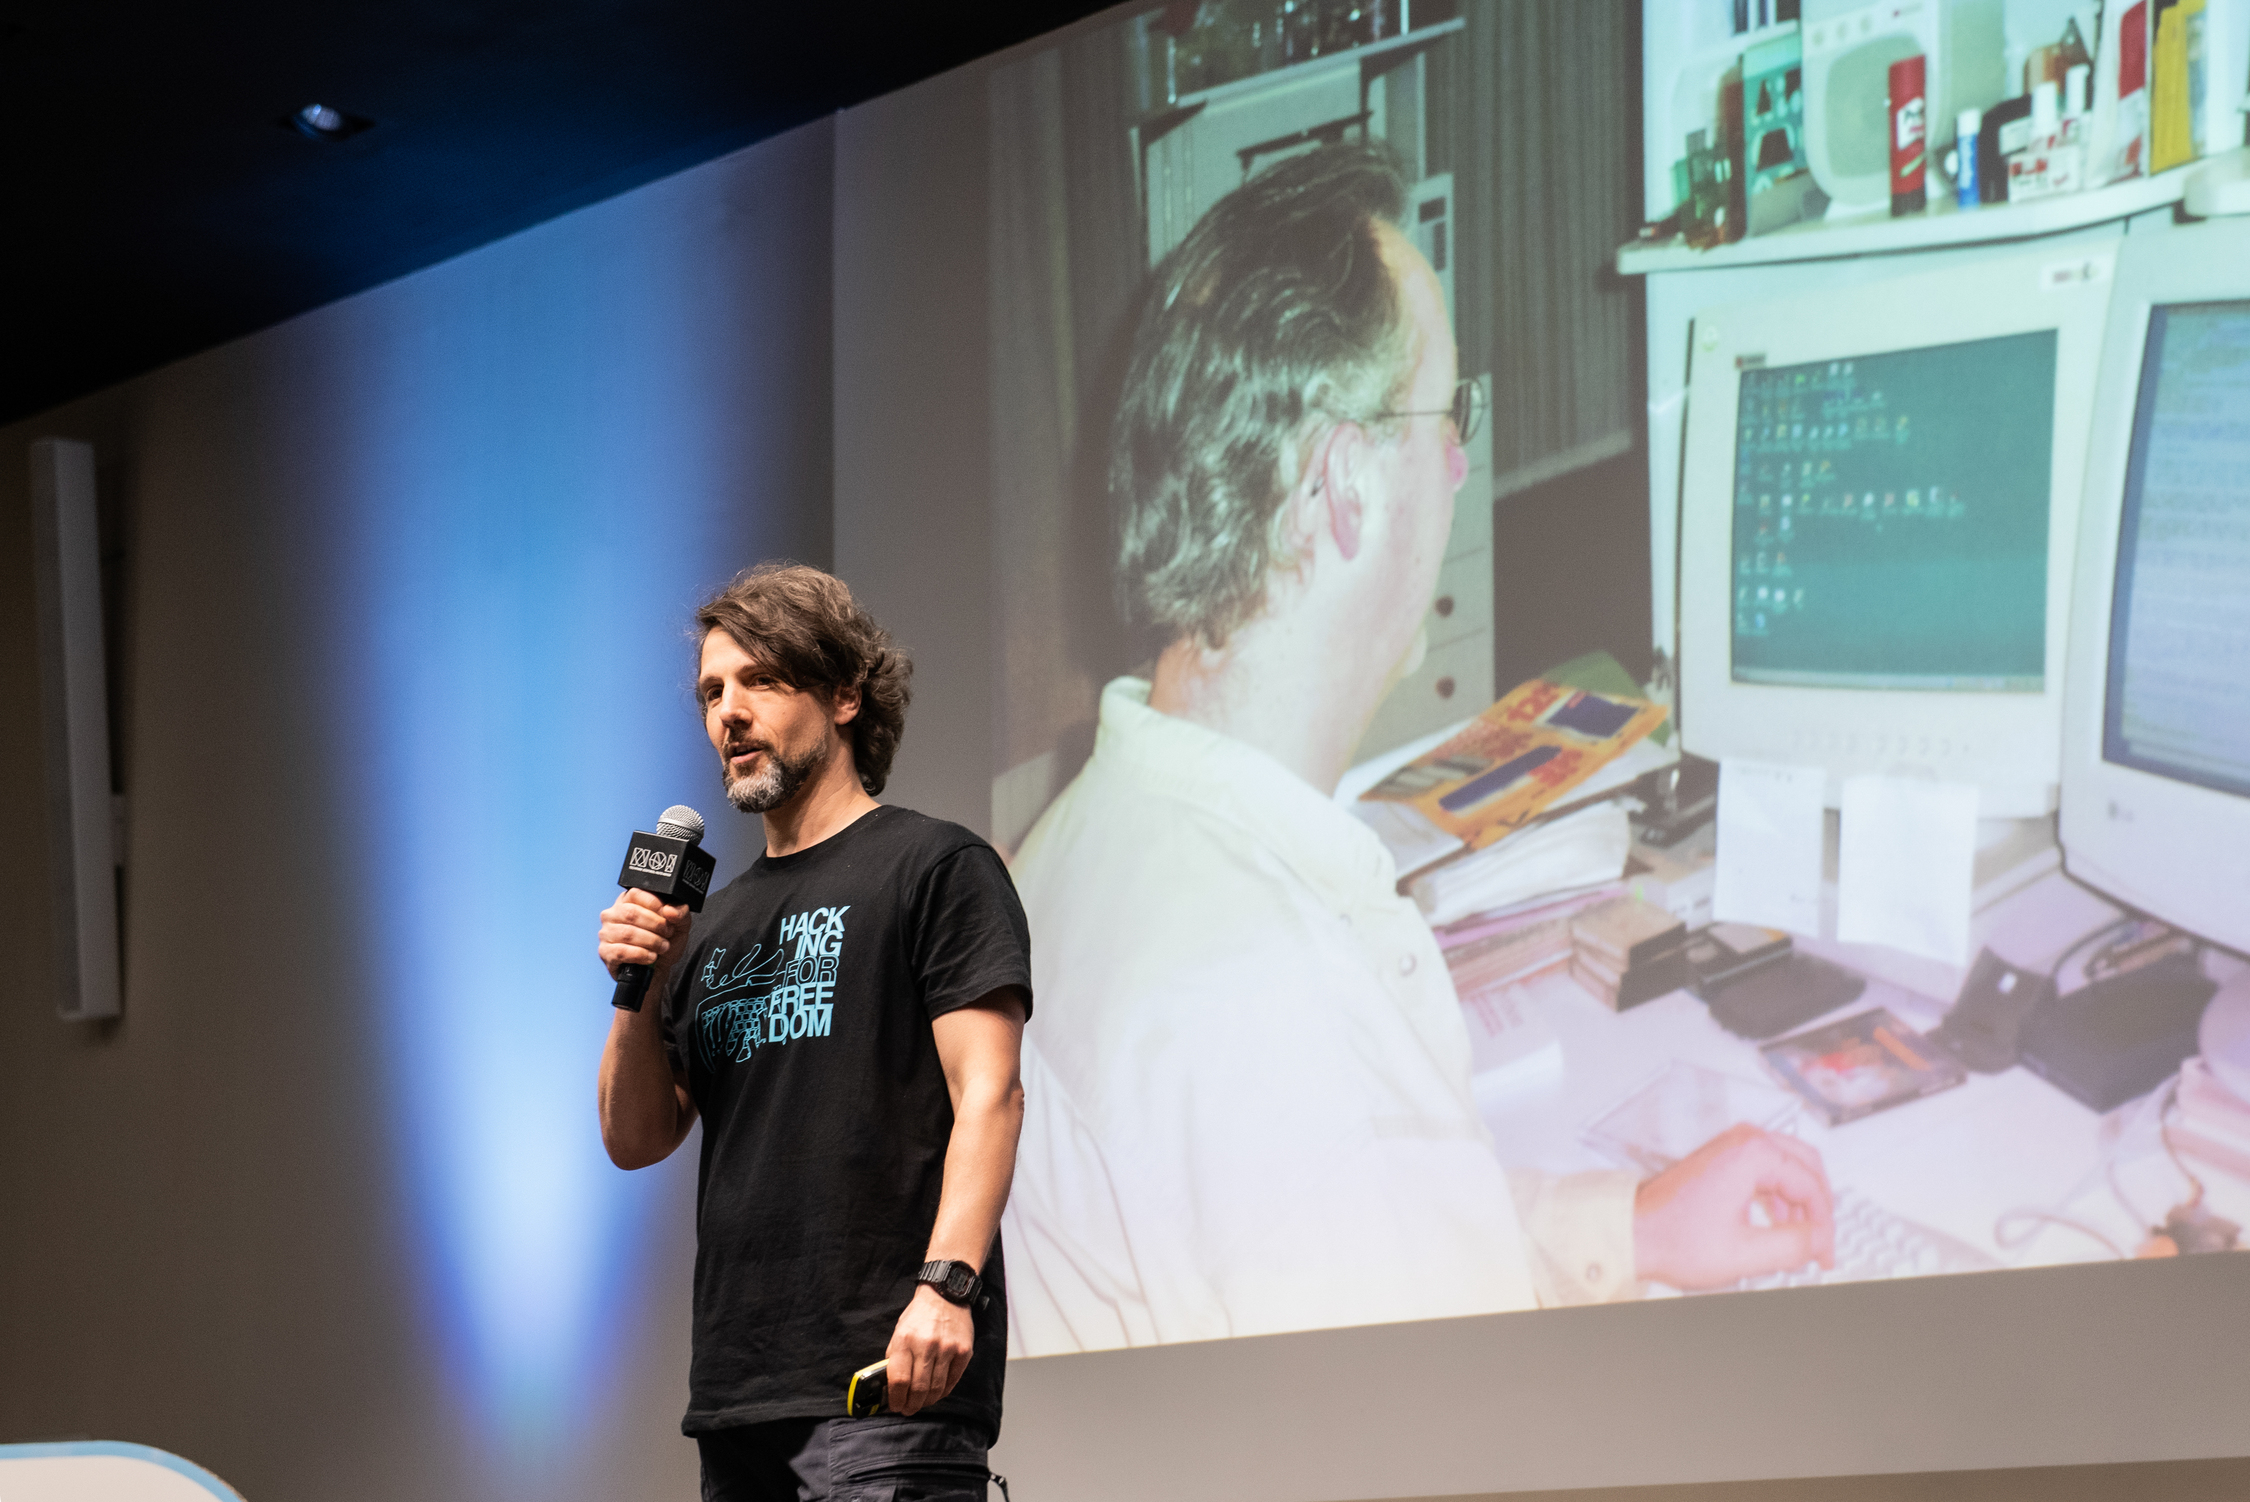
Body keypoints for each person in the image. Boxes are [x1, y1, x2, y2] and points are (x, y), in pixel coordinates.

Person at [1001, 145, 1834, 1356]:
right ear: (1342, 485)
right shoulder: (1269, 1012)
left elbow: (1358, 1232)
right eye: (1450, 415)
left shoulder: (1085, 836)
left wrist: (1628, 1226)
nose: (1457, 461)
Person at [596, 563, 1031, 1501]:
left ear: (845, 694)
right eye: (713, 691)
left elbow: (990, 1092)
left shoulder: (935, 867)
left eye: (760, 680)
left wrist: (948, 1288)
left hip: (886, 1390)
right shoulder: (704, 923)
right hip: (740, 1401)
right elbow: (635, 1138)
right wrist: (641, 984)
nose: (728, 713)